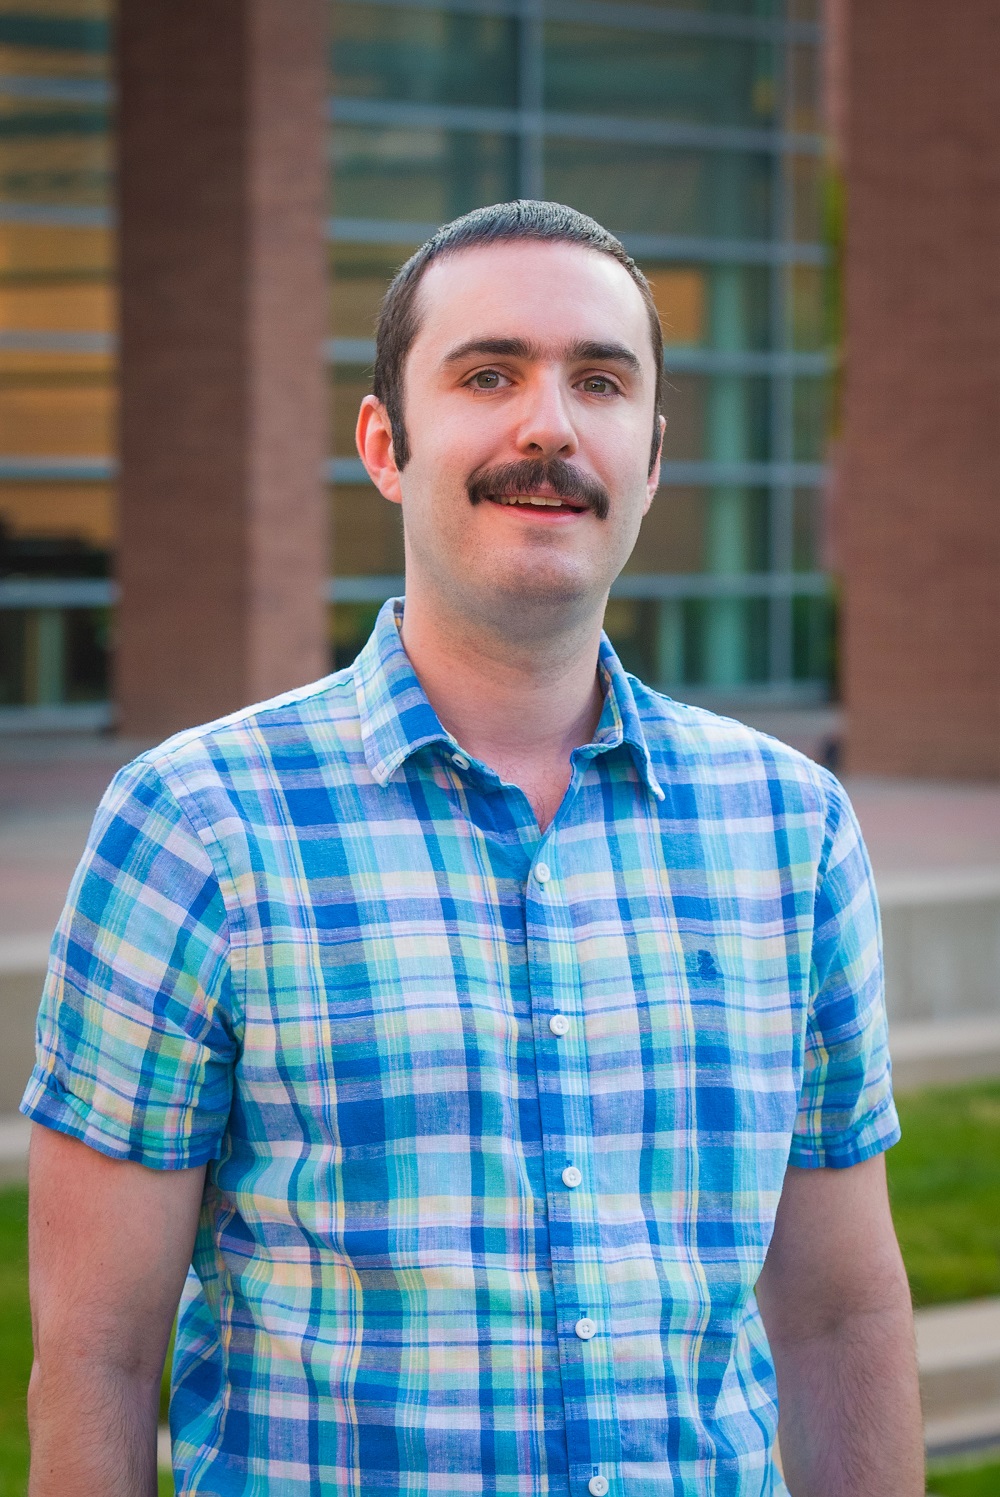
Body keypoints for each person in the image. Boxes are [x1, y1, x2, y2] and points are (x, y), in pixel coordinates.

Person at [23, 200, 923, 1497]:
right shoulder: (195, 826)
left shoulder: (791, 831)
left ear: (653, 456)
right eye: (489, 372)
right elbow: (100, 1356)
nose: (549, 424)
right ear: (385, 443)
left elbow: (844, 1316)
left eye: (600, 381)